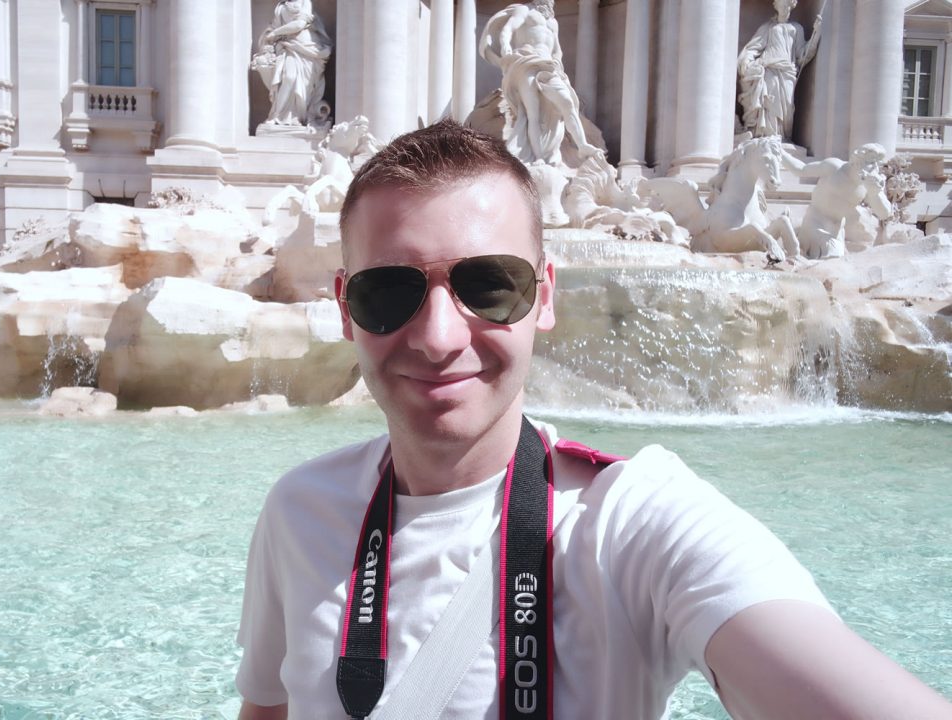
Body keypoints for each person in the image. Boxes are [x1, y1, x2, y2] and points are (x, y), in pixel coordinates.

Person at [235, 121, 952, 719]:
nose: (438, 337)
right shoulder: (299, 513)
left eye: (489, 285)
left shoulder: (635, 521)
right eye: (389, 290)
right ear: (343, 305)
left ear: (544, 296)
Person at [479, 0, 598, 165]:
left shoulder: (553, 22)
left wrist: (557, 61)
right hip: (526, 62)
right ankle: (539, 157)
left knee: (567, 103)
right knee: (532, 113)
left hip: (549, 67)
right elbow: (508, 29)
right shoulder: (524, 10)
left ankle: (582, 145)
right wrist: (506, 46)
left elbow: (557, 50)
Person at [782, 143, 894, 258]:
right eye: (870, 162)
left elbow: (884, 214)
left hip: (836, 229)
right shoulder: (834, 167)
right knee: (832, 254)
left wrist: (875, 193)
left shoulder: (869, 184)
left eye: (876, 163)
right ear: (857, 160)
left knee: (835, 258)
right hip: (815, 221)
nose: (874, 167)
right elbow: (800, 169)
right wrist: (779, 152)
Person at [737, 0, 821, 140]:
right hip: (769, 69)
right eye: (780, 3)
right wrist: (746, 61)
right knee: (769, 103)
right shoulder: (768, 27)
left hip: (787, 72)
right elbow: (753, 47)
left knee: (787, 107)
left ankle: (781, 137)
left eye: (786, 4)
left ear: (791, 5)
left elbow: (803, 54)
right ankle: (765, 136)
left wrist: (816, 34)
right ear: (776, 6)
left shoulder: (796, 29)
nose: (783, 7)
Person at [250, 0, 332, 127]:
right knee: (289, 77)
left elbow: (300, 24)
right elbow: (274, 26)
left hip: (305, 48)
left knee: (301, 83)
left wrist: (275, 33)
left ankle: (298, 117)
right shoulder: (281, 6)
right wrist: (269, 36)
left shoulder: (305, 2)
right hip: (286, 47)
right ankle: (276, 116)